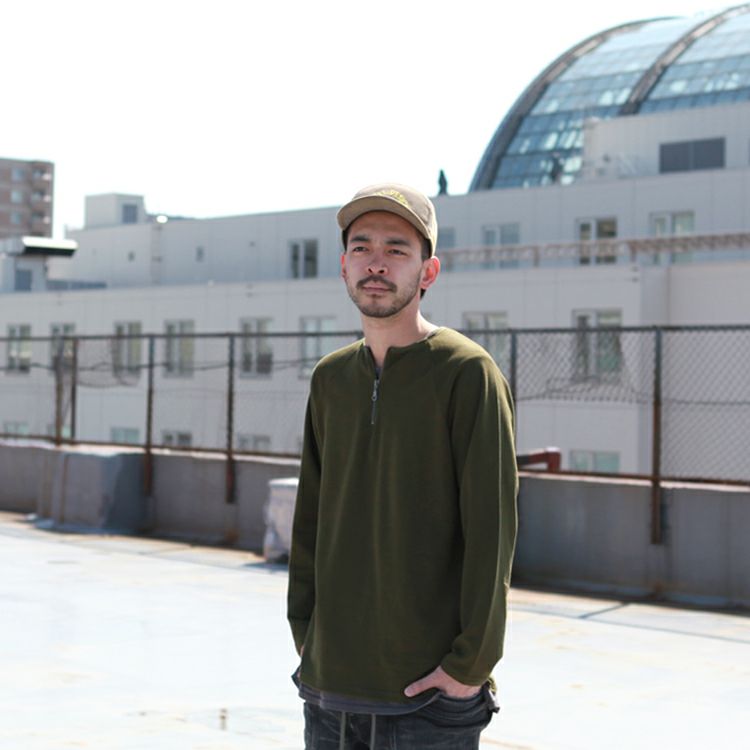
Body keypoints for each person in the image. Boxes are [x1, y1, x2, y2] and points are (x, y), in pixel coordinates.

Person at [287, 183, 518, 749]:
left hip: (428, 701)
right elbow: (310, 518)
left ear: (428, 271)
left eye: (396, 249)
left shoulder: (467, 372)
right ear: (343, 267)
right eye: (361, 248)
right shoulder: (330, 379)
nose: (376, 263)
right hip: (329, 691)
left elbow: (492, 532)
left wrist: (470, 665)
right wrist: (306, 631)